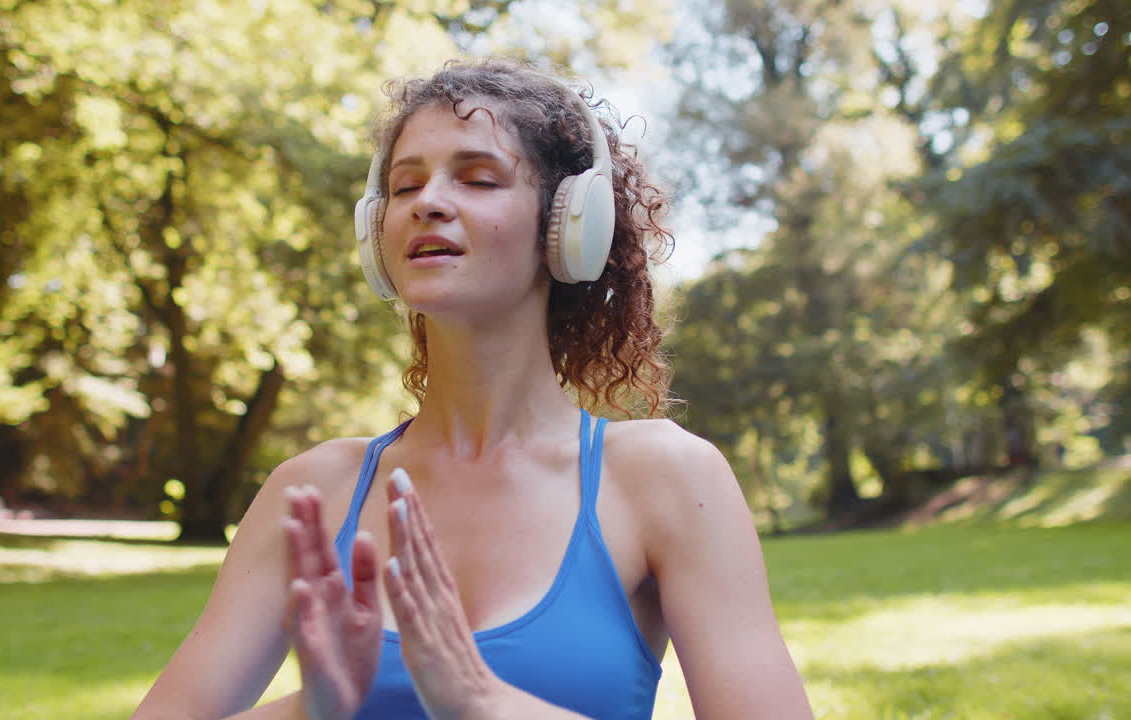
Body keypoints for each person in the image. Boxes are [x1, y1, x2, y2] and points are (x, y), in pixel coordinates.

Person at [133, 58, 813, 720]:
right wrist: (311, 711)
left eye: (479, 179)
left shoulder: (664, 479)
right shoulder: (313, 494)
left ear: (569, 224)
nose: (429, 202)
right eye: (404, 187)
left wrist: (482, 700)